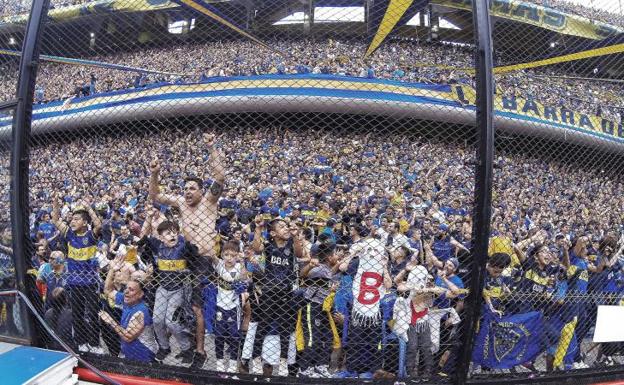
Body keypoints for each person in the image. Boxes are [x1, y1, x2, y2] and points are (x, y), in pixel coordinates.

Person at [148, 132, 225, 368]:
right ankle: (187, 346)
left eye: (192, 188)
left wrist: (212, 148)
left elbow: (220, 177)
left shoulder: (209, 202)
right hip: (185, 258)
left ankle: (200, 351)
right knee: (180, 308)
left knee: (195, 308)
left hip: (202, 260)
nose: (188, 191)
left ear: (202, 191)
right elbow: (155, 196)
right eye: (185, 188)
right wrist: (155, 173)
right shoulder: (181, 203)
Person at [251, 216, 305, 376]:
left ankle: (283, 362)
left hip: (286, 292)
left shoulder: (290, 244)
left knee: (285, 328)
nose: (286, 228)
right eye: (282, 227)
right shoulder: (268, 246)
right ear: (273, 233)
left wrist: (295, 236)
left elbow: (299, 252)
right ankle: (255, 358)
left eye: (286, 226)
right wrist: (258, 229)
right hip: (269, 291)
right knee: (264, 325)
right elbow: (256, 248)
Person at [139, 219, 198, 364]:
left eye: (175, 232)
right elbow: (143, 237)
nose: (172, 235)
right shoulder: (158, 245)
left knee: (171, 322)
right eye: (168, 233)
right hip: (162, 288)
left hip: (179, 289)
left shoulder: (182, 246)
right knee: (157, 320)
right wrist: (149, 218)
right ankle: (164, 347)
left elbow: (194, 250)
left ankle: (187, 348)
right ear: (160, 237)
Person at [51, 194, 103, 354]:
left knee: (93, 314)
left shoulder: (90, 236)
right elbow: (55, 220)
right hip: (74, 282)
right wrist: (56, 203)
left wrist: (88, 208)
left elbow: (99, 226)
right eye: (72, 219)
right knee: (77, 314)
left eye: (77, 219)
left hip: (91, 282)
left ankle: (95, 344)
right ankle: (82, 342)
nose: (73, 221)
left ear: (85, 222)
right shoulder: (70, 235)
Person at [100, 257, 158, 363]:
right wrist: (112, 270)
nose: (126, 291)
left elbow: (128, 337)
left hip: (144, 356)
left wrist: (111, 321)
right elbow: (108, 290)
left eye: (131, 290)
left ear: (140, 294)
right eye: (126, 288)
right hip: (129, 354)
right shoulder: (126, 299)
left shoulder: (141, 311)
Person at [44, 287, 77, 351]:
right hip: (69, 348)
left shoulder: (47, 313)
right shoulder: (71, 313)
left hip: (52, 346)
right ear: (66, 299)